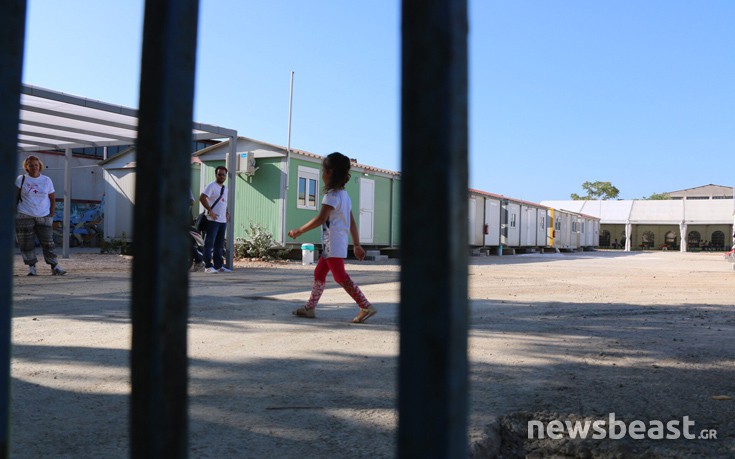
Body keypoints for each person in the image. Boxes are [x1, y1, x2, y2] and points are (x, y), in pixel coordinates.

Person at [287, 152, 377, 323]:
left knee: (340, 276)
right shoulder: (345, 196)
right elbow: (352, 222)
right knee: (319, 271)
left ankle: (365, 305)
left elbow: (321, 218)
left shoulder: (332, 196)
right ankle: (310, 308)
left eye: (323, 171)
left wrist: (299, 231)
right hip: (337, 243)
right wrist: (356, 245)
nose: (322, 175)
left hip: (332, 244)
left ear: (329, 173)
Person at [15, 155, 67, 276]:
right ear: (26, 167)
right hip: (24, 214)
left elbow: (52, 199)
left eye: (36, 165)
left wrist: (51, 214)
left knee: (48, 242)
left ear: (40, 166)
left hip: (44, 215)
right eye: (31, 165)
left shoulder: (47, 180)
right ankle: (31, 267)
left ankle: (55, 266)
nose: (34, 167)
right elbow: (15, 197)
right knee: (26, 243)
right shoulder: (21, 179)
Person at [199, 166, 231, 273]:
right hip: (212, 220)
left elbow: (224, 202)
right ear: (216, 175)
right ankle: (208, 266)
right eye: (219, 174)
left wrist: (227, 212)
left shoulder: (225, 188)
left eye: (223, 174)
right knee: (210, 243)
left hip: (222, 220)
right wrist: (210, 211)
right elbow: (202, 197)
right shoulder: (211, 186)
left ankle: (218, 265)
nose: (221, 176)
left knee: (219, 244)